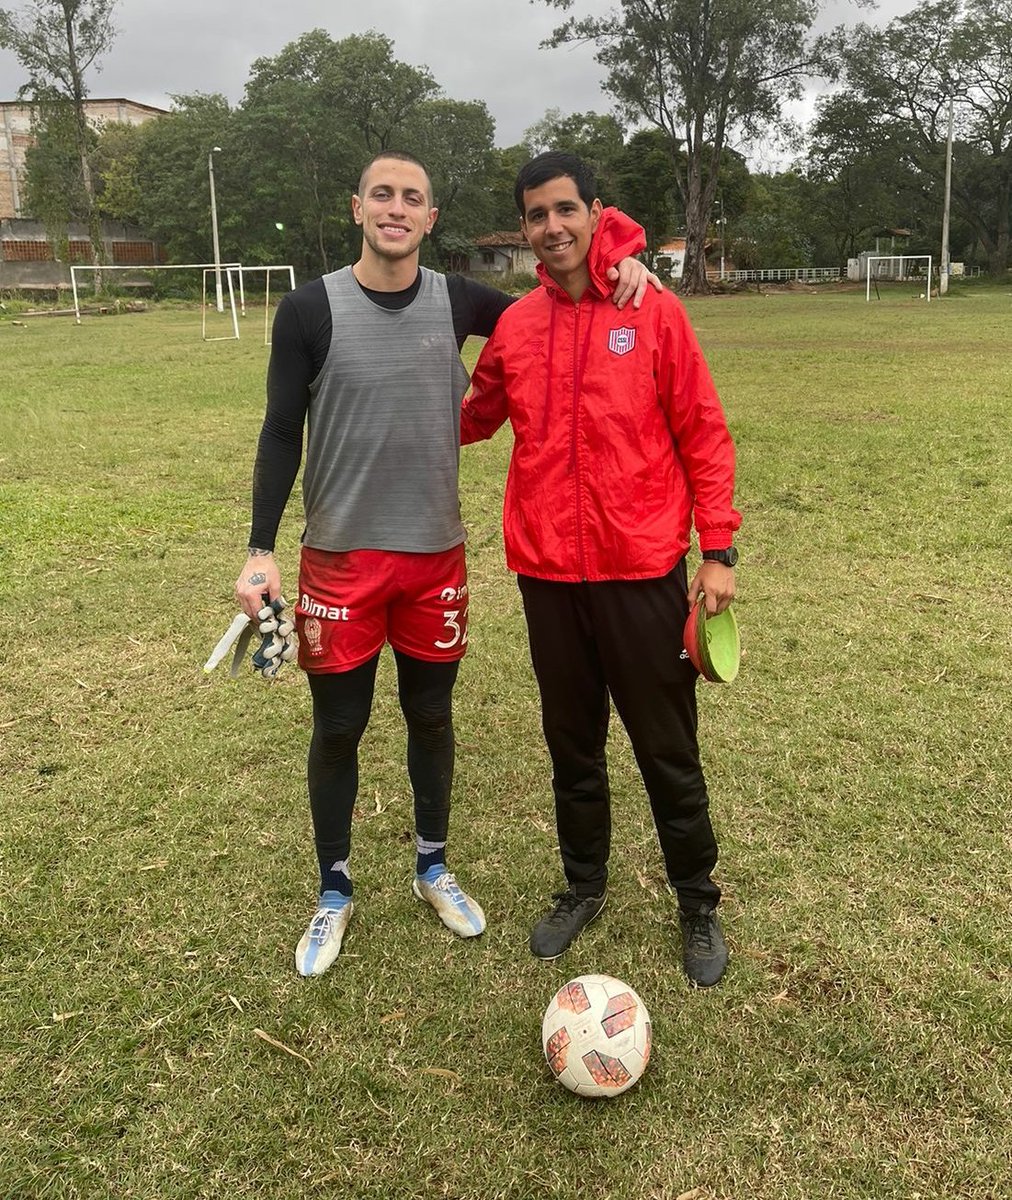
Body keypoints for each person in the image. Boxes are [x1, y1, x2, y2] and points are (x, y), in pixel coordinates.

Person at [233, 150, 661, 978]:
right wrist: (259, 551)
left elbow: (558, 299)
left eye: (414, 199)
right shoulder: (308, 309)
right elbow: (282, 432)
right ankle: (333, 891)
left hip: (436, 560)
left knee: (432, 718)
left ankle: (433, 866)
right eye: (383, 195)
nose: (397, 208)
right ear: (359, 207)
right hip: (338, 562)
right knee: (340, 728)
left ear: (432, 220)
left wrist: (619, 256)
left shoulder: (461, 301)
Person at [460, 152, 741, 987]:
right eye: (536, 216)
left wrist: (718, 550)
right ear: (524, 227)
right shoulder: (515, 327)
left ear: (592, 213)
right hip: (548, 577)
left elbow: (704, 433)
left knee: (666, 748)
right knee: (571, 747)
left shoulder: (651, 312)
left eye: (565, 211)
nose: (552, 227)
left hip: (641, 573)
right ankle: (584, 886)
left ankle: (697, 900)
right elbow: (472, 419)